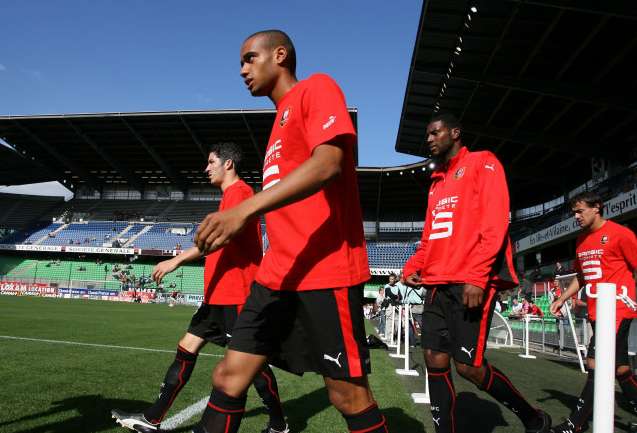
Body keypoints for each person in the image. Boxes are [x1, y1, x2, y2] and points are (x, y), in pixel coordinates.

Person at [191, 29, 388, 433]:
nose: (243, 69)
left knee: (347, 396)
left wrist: (244, 210)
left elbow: (329, 164)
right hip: (277, 274)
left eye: (249, 58)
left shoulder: (317, 88)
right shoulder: (277, 126)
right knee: (228, 377)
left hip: (325, 269)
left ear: (279, 55)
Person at [111, 142, 289, 433]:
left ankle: (279, 425)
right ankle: (152, 418)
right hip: (217, 297)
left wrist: (176, 260)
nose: (206, 168)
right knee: (186, 347)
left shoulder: (241, 193)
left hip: (237, 295)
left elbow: (219, 239)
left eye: (211, 162)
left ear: (228, 164)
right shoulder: (229, 196)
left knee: (251, 367)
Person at [403, 112, 551, 433]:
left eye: (435, 132)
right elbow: (430, 237)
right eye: (427, 134)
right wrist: (413, 266)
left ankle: (533, 418)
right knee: (434, 358)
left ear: (455, 132)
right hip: (436, 284)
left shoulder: (484, 163)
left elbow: (495, 223)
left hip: (469, 281)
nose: (428, 139)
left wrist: (477, 276)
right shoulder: (437, 181)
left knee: (469, 367)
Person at [549, 191, 637, 433]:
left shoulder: (621, 234)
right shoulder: (581, 240)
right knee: (620, 368)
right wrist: (562, 298)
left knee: (596, 364)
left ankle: (574, 424)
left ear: (597, 207)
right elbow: (582, 276)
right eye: (574, 213)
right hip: (597, 312)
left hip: (619, 309)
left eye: (580, 211)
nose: (576, 217)